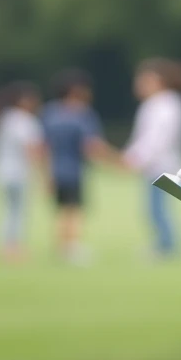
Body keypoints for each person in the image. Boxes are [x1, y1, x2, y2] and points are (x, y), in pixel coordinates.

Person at [41, 69, 118, 263]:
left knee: (61, 211)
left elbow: (44, 146)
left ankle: (62, 247)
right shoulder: (82, 114)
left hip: (55, 170)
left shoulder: (50, 112)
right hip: (74, 171)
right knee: (74, 210)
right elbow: (91, 145)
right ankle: (72, 247)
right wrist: (115, 159)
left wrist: (44, 174)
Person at [123, 58, 181, 259]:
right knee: (155, 208)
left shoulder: (164, 104)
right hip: (156, 164)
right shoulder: (163, 103)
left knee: (157, 208)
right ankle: (165, 244)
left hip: (160, 165)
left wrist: (135, 158)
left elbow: (156, 138)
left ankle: (166, 246)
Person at [0, 82, 45, 261]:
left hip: (0, 171)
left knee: (9, 210)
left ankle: (7, 245)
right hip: (18, 172)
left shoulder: (3, 119)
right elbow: (31, 149)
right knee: (17, 211)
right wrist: (41, 173)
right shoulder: (24, 120)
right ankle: (12, 247)